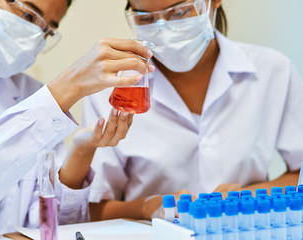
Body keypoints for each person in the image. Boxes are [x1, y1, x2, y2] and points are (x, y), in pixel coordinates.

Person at [0, 0, 154, 237]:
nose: (34, 38)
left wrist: (82, 151)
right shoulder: (47, 103)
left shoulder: (29, 95)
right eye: (29, 16)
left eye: (47, 30)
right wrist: (71, 83)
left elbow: (51, 224)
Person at [83, 0, 303, 221]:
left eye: (179, 12)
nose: (163, 30)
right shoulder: (110, 91)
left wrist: (248, 197)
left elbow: (299, 173)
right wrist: (146, 207)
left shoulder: (273, 70)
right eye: (145, 18)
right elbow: (90, 208)